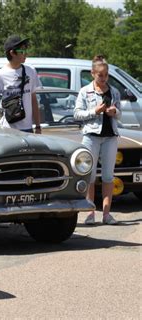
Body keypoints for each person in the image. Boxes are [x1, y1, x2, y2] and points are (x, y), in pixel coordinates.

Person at [74, 55, 121, 225]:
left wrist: (114, 112)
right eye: (100, 75)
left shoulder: (114, 91)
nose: (104, 78)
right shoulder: (85, 91)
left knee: (108, 176)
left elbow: (119, 114)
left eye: (106, 75)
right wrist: (95, 111)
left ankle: (107, 214)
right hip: (91, 137)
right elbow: (77, 114)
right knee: (90, 176)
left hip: (110, 137)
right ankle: (90, 213)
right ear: (92, 73)